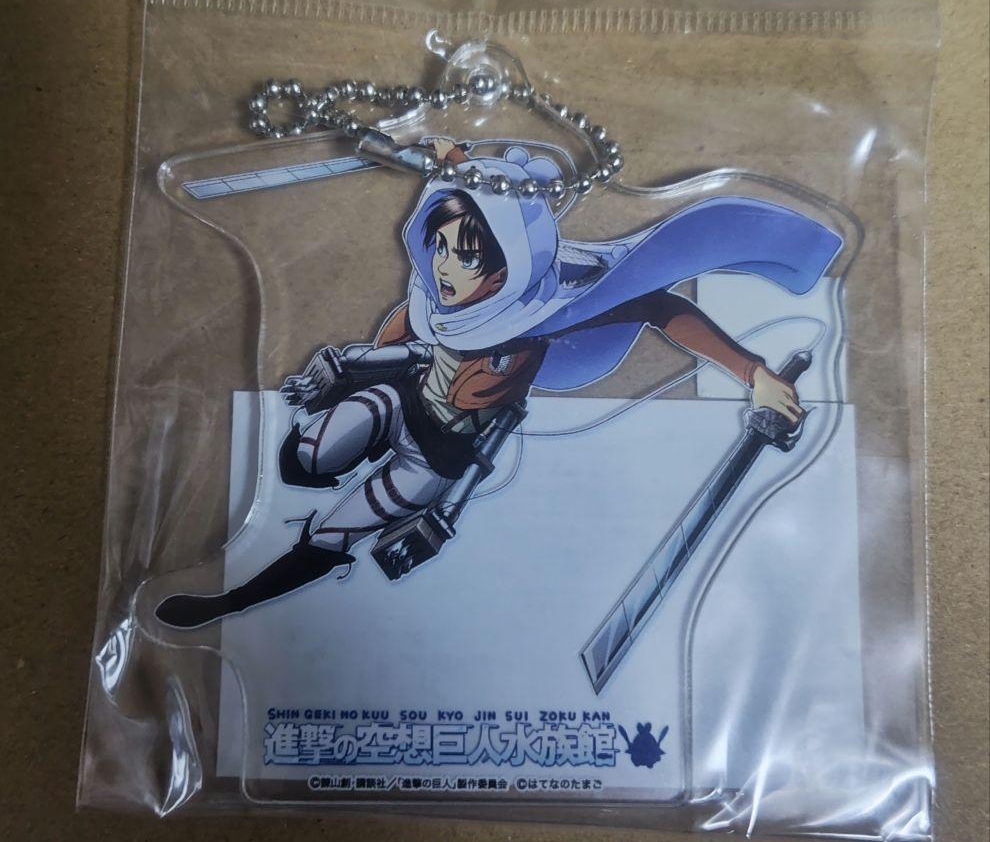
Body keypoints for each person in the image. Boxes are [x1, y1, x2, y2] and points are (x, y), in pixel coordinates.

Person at [156, 141, 839, 629]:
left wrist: (754, 373)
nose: (447, 269)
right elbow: (404, 329)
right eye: (442, 248)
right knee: (304, 460)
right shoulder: (433, 299)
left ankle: (229, 606)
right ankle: (309, 466)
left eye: (468, 255)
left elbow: (661, 305)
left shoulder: (552, 303)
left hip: (441, 455)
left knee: (335, 532)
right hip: (399, 400)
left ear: (511, 257)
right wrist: (343, 373)